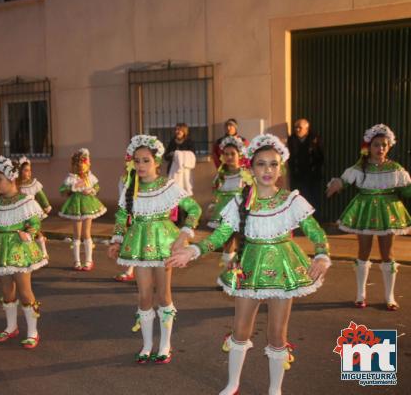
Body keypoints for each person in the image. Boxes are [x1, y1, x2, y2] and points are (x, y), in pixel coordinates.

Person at [168, 133, 331, 395]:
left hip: (284, 269)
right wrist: (194, 250)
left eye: (273, 164)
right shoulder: (238, 202)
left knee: (277, 334)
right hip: (248, 268)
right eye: (261, 164)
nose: (268, 170)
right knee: (240, 329)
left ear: (281, 167)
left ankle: (275, 390)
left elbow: (315, 231)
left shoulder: (291, 200)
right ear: (251, 168)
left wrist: (322, 256)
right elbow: (221, 235)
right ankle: (233, 384)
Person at [108, 134, 202, 364]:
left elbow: (194, 209)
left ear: (157, 163)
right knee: (143, 296)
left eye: (146, 160)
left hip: (164, 245)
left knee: (163, 295)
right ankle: (147, 344)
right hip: (139, 245)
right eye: (137, 161)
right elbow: (122, 214)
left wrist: (184, 234)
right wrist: (117, 239)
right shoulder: (131, 187)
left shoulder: (168, 186)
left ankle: (165, 344)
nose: (140, 165)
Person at [326, 124, 411, 311]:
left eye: (384, 145)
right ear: (368, 147)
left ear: (389, 147)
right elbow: (345, 181)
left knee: (387, 254)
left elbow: (406, 190)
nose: (380, 149)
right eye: (376, 145)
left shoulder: (396, 169)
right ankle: (360, 294)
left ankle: (390, 296)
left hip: (388, 213)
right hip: (364, 211)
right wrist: (337, 184)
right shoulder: (360, 168)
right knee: (363, 252)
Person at [0, 156, 47, 348]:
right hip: (0, 250)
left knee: (24, 291)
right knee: (7, 290)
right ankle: (11, 326)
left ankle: (32, 331)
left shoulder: (26, 201)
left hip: (18, 251)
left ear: (11, 179)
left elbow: (34, 222)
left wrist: (29, 234)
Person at [59, 148, 107, 271]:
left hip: (88, 205)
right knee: (76, 234)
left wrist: (91, 190)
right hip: (75, 206)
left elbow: (97, 186)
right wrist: (73, 188)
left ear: (87, 164)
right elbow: (62, 190)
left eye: (83, 165)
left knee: (86, 233)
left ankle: (89, 260)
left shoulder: (89, 177)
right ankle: (76, 260)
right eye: (78, 166)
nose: (81, 168)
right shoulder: (71, 177)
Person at [207, 136, 246, 267]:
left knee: (242, 244)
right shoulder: (221, 174)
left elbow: (251, 193)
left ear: (239, 154)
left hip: (240, 212)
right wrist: (214, 204)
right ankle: (228, 276)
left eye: (232, 154)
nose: (229, 157)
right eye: (226, 154)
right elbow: (217, 192)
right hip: (224, 213)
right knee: (227, 243)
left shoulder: (245, 173)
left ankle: (242, 277)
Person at [18, 156, 52, 258]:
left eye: (29, 171)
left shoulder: (34, 184)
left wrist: (46, 205)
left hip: (32, 211)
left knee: (36, 231)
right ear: (20, 171)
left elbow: (41, 195)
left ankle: (44, 252)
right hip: (20, 212)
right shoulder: (16, 185)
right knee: (23, 232)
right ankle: (27, 252)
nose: (28, 173)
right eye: (25, 171)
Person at [287, 118, 324, 210]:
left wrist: (315, 169)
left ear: (307, 129)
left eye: (300, 127)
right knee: (298, 199)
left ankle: (316, 219)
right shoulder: (291, 140)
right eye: (295, 127)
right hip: (297, 176)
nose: (297, 130)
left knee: (312, 199)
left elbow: (320, 157)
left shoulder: (315, 140)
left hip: (312, 176)